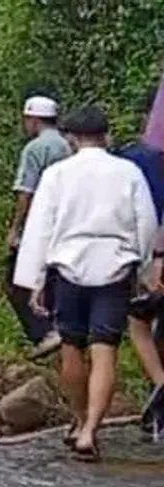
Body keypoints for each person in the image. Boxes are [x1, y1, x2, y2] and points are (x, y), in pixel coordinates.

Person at [14, 105, 158, 461]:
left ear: (71, 138)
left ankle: (79, 420)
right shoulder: (127, 173)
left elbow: (40, 227)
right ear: (107, 135)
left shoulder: (57, 174)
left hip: (67, 266)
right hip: (114, 265)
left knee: (71, 346)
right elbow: (146, 223)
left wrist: (34, 280)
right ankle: (91, 429)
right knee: (105, 347)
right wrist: (140, 269)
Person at [7, 95, 71, 359]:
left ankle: (45, 333)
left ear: (33, 119)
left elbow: (26, 192)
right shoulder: (70, 145)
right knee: (58, 277)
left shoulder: (35, 148)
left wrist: (16, 228)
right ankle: (65, 329)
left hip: (41, 224)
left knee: (16, 281)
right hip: (69, 223)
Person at [119, 92, 164, 431]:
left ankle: (161, 386)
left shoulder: (134, 161)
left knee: (140, 321)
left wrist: (154, 259)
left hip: (152, 255)